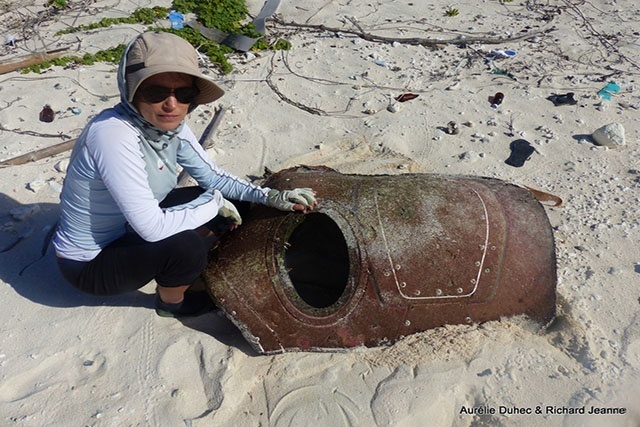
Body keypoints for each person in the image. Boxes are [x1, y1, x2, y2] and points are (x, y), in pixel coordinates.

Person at [53, 31, 317, 318]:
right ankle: (171, 302)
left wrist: (272, 196)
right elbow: (151, 228)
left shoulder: (167, 126)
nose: (172, 105)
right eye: (155, 92)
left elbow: (214, 178)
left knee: (233, 201)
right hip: (91, 264)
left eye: (184, 94)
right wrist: (212, 205)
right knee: (185, 246)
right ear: (130, 90)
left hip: (128, 228)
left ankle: (202, 263)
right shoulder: (112, 135)